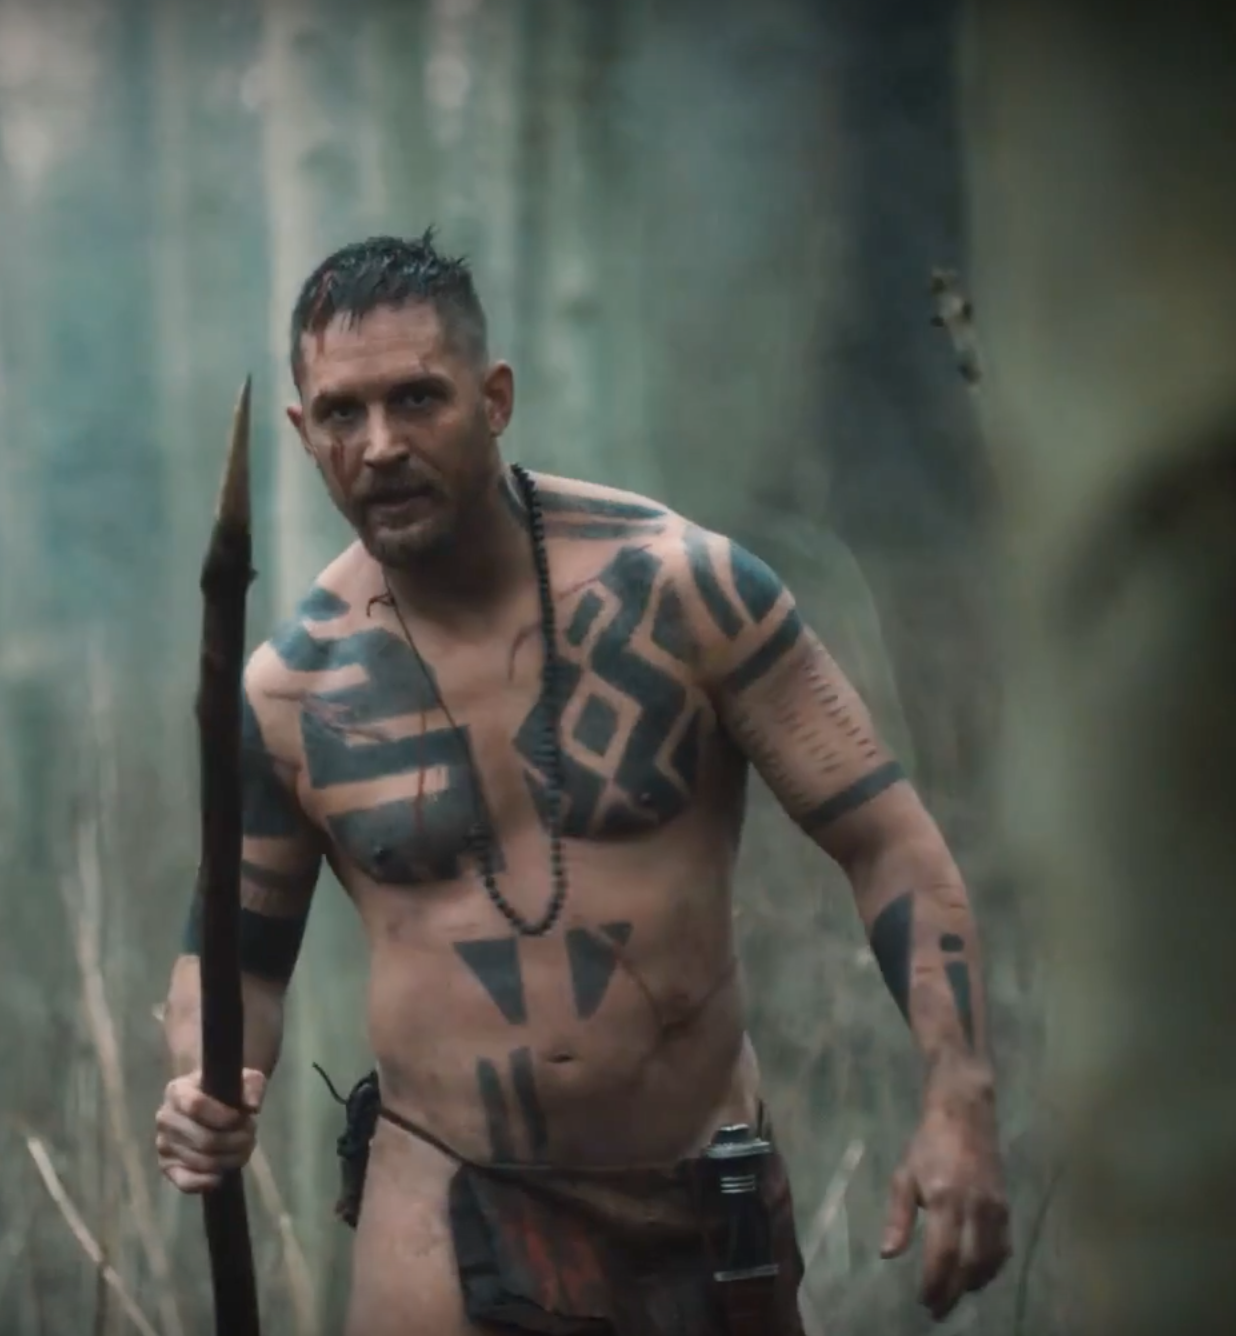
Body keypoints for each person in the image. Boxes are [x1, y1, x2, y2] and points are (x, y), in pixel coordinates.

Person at [154, 233, 1011, 1336]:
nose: (379, 445)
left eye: (417, 397)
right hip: (442, 1204)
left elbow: (886, 843)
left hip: (702, 1202)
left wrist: (957, 1095)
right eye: (339, 413)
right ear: (301, 430)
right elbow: (233, 960)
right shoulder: (292, 689)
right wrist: (208, 1083)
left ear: (494, 398)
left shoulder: (688, 592)